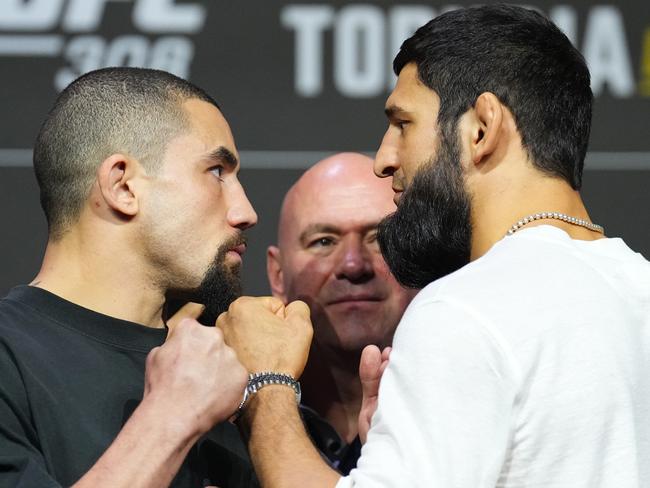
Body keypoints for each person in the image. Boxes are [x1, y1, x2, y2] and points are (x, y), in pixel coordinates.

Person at [216, 5, 650, 488]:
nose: (384, 158)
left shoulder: (467, 307)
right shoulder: (638, 288)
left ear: (481, 129)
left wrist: (266, 386)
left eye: (403, 124)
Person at [0, 68, 260, 487]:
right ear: (122, 186)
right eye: (216, 172)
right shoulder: (10, 359)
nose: (246, 211)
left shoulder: (227, 368)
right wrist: (170, 419)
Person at [266, 153, 416, 473]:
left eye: (380, 239)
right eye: (324, 241)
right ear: (277, 274)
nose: (353, 265)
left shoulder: (467, 413)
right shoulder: (223, 425)